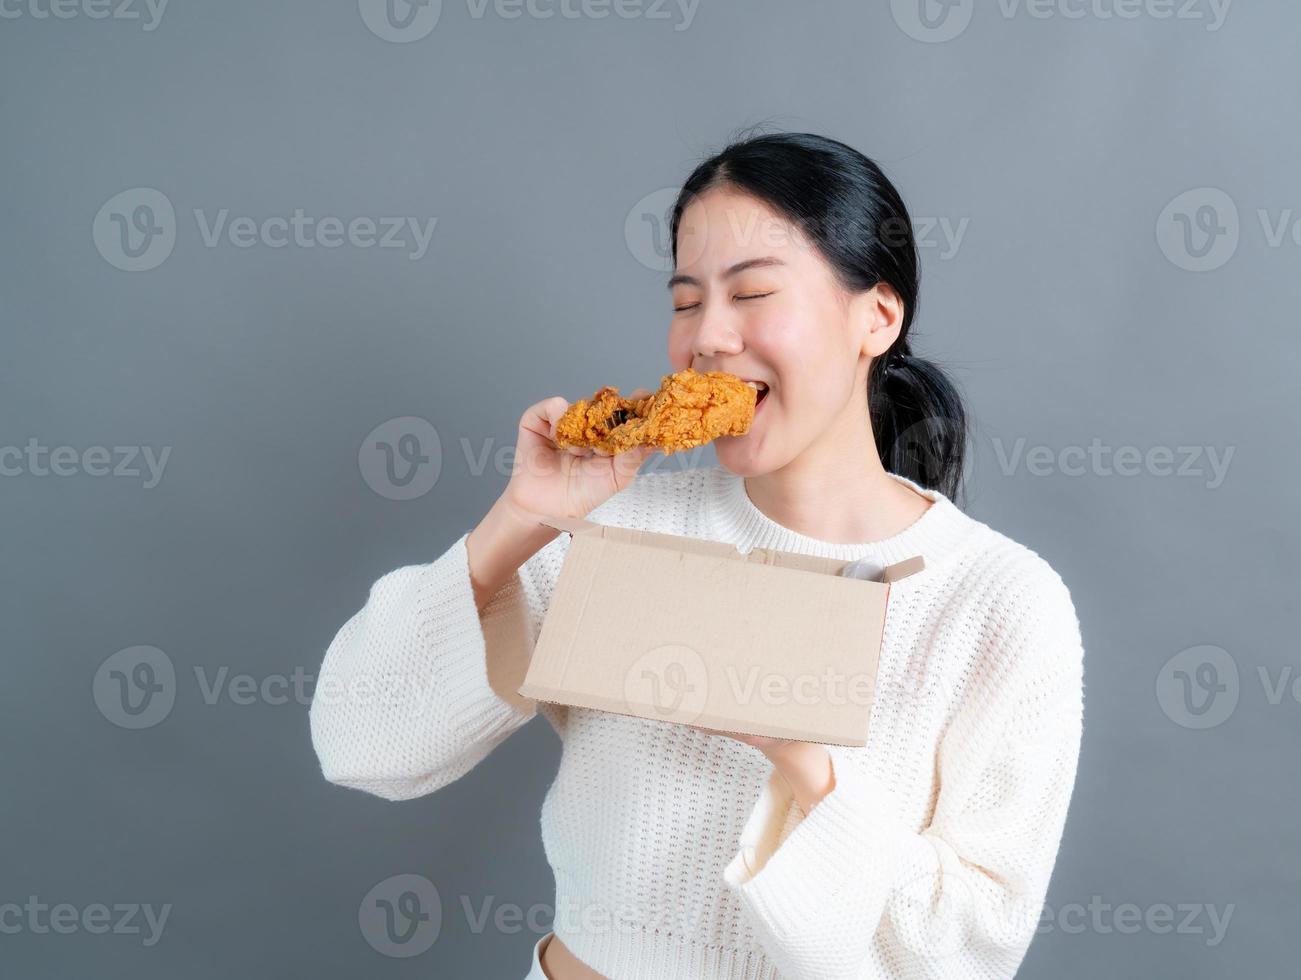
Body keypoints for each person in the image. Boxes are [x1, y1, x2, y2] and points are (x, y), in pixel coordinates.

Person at [310, 130, 1085, 980]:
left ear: (877, 315)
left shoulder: (999, 600)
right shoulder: (614, 533)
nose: (708, 338)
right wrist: (520, 520)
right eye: (686, 301)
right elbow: (360, 742)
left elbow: (970, 948)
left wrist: (804, 763)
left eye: (753, 292)